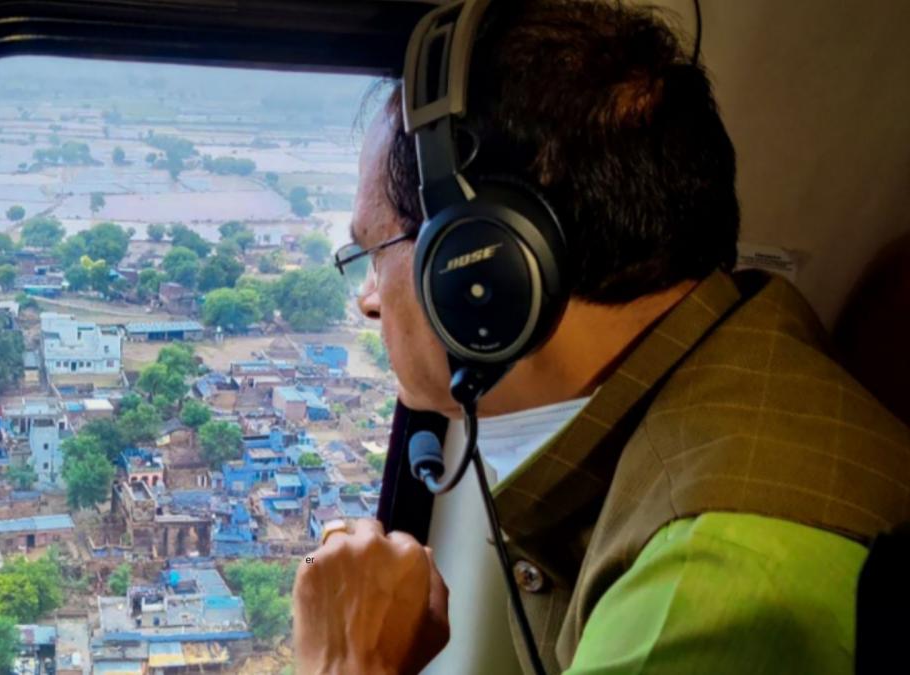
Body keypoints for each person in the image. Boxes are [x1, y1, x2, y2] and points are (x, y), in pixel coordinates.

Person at [292, 1, 910, 673]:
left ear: (482, 265)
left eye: (375, 254)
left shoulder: (704, 593)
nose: (368, 301)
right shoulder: (752, 345)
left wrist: (349, 661)